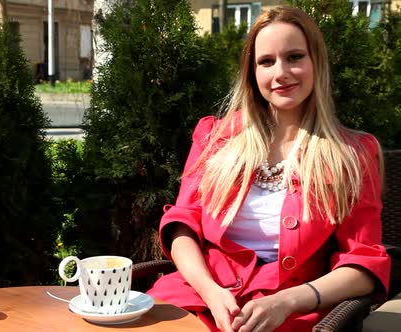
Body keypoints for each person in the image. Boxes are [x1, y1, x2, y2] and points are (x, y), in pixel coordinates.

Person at [147, 6, 390, 332]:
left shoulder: (352, 154)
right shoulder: (215, 138)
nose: (281, 73)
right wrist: (210, 291)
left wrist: (289, 300)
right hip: (199, 296)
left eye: (294, 57)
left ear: (316, 63)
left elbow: (362, 263)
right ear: (252, 72)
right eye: (266, 61)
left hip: (288, 311)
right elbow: (183, 226)